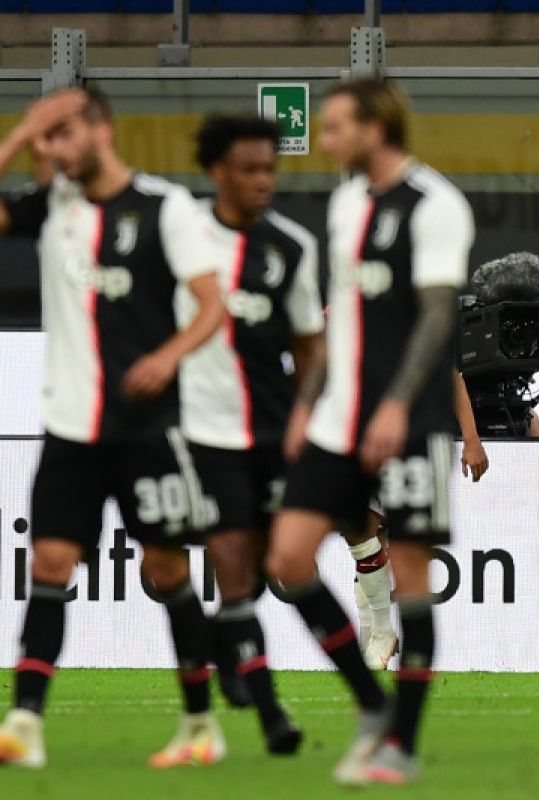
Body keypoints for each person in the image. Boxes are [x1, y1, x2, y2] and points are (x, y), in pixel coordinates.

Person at [0, 88, 227, 767]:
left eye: (62, 135)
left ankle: (198, 724)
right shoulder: (56, 209)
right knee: (49, 564)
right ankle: (25, 724)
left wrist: (167, 355)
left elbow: (212, 306)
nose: (53, 150)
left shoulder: (166, 208)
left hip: (147, 431)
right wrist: (19, 136)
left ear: (102, 131)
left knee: (165, 570)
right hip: (71, 428)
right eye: (47, 140)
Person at [267, 77, 473, 786]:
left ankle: (401, 744)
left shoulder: (436, 204)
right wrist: (308, 403)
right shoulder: (346, 202)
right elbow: (343, 321)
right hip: (336, 417)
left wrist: (397, 403)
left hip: (409, 420)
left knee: (410, 575)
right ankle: (369, 703)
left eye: (334, 128)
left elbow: (438, 315)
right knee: (288, 558)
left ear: (374, 128)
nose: (324, 142)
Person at [185, 113, 321, 751]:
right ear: (218, 171)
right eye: (250, 169)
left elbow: (309, 348)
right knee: (230, 565)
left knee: (272, 567)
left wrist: (303, 414)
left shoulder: (290, 246)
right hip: (200, 434)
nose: (264, 180)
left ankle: (221, 643)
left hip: (270, 432)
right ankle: (270, 714)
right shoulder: (178, 236)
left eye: (272, 168)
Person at [354, 370, 487, 671]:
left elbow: (451, 374)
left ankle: (388, 638)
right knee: (360, 535)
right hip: (362, 432)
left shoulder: (419, 325)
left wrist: (471, 437)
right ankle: (377, 632)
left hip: (414, 436)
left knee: (403, 554)